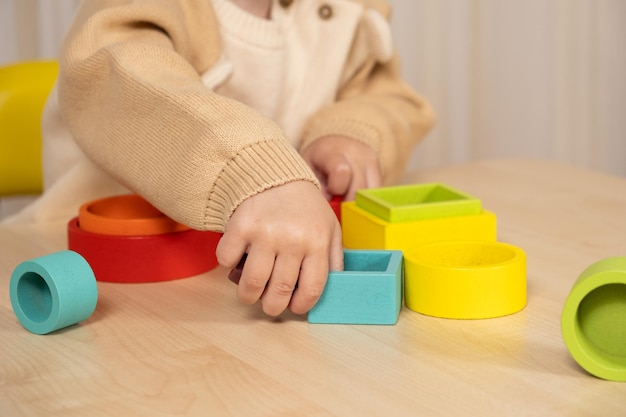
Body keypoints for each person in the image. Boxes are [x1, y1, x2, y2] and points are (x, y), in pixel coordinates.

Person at [10, 0, 435, 317]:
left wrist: (352, 131)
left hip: (230, 282)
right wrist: (253, 170)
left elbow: (384, 94)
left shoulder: (347, 11)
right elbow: (117, 73)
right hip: (102, 279)